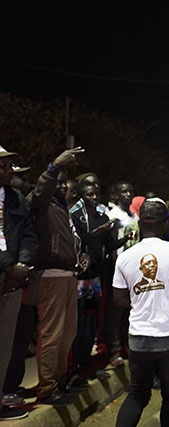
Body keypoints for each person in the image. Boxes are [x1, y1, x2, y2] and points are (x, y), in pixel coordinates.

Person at [113, 197, 169, 427]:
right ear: (166, 224)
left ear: (140, 224)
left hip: (139, 337)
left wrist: (142, 302)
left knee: (137, 394)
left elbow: (119, 298)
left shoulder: (125, 257)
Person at [27, 147, 85, 406]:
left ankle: (58, 381)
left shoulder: (61, 208)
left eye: (64, 183)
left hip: (68, 275)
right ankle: (47, 388)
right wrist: (54, 166)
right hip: (50, 276)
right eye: (57, 182)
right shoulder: (40, 203)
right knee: (51, 333)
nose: (61, 187)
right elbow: (40, 192)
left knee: (67, 332)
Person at [69, 183, 131, 386]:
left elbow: (109, 244)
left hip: (96, 277)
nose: (94, 197)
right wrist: (100, 231)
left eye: (96, 194)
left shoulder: (103, 218)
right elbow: (80, 240)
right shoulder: (77, 217)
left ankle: (88, 367)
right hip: (80, 279)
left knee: (92, 323)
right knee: (79, 324)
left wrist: (124, 240)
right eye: (89, 195)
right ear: (82, 196)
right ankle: (75, 369)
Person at [0, 146, 38, 421]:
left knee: (4, 345)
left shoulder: (15, 198)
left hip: (12, 280)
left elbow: (28, 233)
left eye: (9, 165)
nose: (8, 170)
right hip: (7, 271)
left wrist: (22, 265)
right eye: (2, 166)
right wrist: (7, 264)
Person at [105, 180, 139, 368]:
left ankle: (128, 347)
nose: (127, 194)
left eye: (130, 191)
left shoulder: (133, 216)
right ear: (116, 195)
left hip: (133, 270)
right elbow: (110, 245)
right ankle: (114, 351)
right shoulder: (113, 215)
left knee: (130, 311)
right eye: (123, 191)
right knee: (115, 312)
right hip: (118, 270)